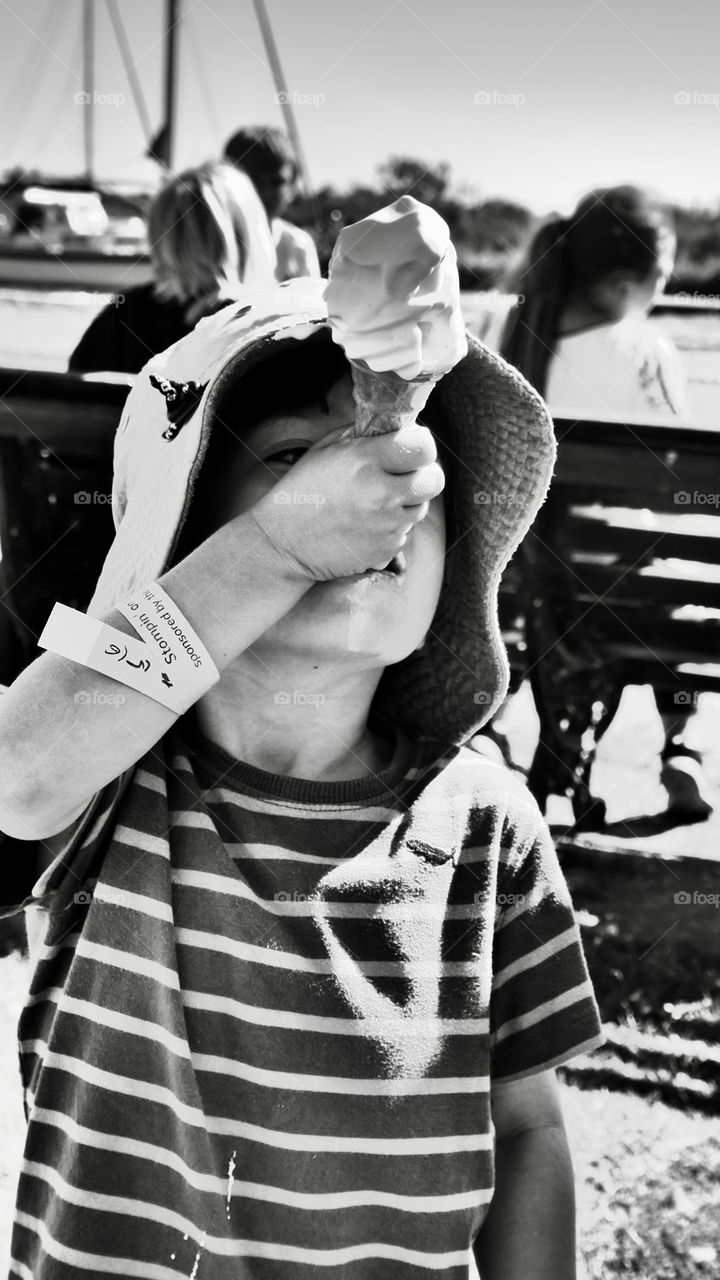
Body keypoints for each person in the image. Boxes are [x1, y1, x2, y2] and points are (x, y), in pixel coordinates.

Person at [0, 279, 602, 1278]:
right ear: (189, 542)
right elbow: (15, 772)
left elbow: (528, 1124)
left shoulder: (487, 823)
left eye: (407, 471)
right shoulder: (119, 768)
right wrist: (276, 547)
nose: (367, 498)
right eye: (290, 460)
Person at [498, 184, 711, 823]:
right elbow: (677, 503)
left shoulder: (514, 345)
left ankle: (523, 744)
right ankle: (681, 752)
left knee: (606, 585)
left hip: (528, 593)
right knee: (672, 586)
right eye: (662, 277)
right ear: (625, 285)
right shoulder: (648, 354)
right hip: (629, 599)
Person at [68, 161, 277, 375]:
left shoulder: (120, 320)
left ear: (159, 237)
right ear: (251, 236)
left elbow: (71, 395)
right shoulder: (268, 329)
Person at [223, 125, 321, 281]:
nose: (264, 191)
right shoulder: (215, 240)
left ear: (293, 184)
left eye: (276, 182)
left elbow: (309, 301)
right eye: (252, 180)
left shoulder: (297, 244)